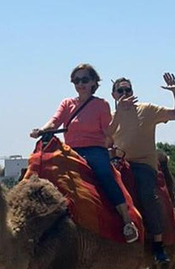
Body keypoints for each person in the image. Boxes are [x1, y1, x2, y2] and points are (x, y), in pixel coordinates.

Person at [31, 63, 139, 243]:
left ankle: (127, 221)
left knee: (104, 174)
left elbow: (108, 131)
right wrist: (41, 130)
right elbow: (54, 122)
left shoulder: (101, 105)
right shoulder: (67, 103)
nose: (80, 84)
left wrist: (119, 113)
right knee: (38, 169)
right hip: (69, 150)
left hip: (94, 150)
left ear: (93, 82)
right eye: (76, 80)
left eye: (84, 79)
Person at [109, 72, 175, 262]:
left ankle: (158, 242)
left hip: (143, 164)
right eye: (121, 90)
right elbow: (105, 138)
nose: (125, 93)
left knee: (146, 192)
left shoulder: (148, 109)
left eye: (128, 89)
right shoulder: (111, 117)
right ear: (114, 95)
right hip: (118, 164)